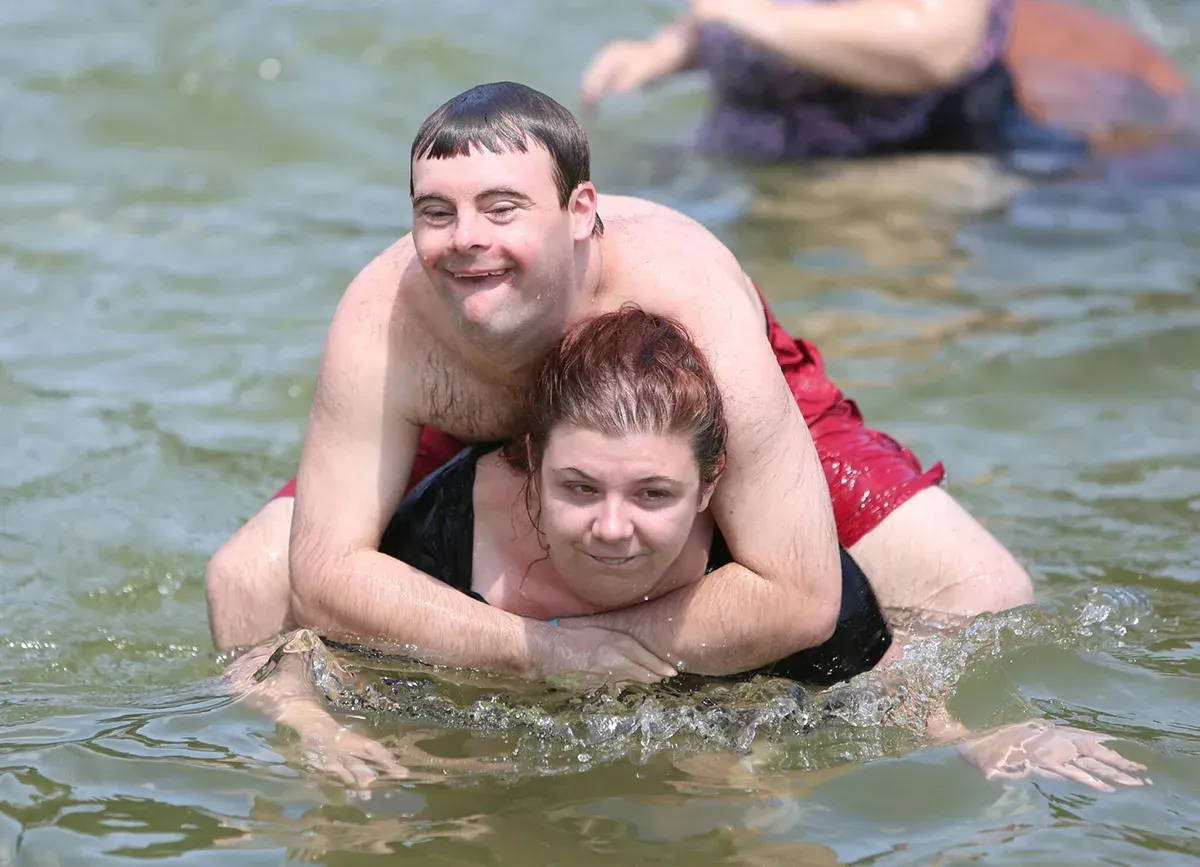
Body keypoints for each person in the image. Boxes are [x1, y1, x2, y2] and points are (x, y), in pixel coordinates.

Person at [206, 80, 1033, 687]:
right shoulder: (383, 317)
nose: (465, 241)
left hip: (688, 405)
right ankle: (310, 780)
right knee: (245, 581)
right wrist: (541, 649)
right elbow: (323, 573)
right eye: (436, 212)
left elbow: (802, 594)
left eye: (502, 209)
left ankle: (936, 737)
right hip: (474, 426)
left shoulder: (688, 297)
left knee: (986, 594)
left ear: (580, 212)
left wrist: (619, 646)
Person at [222, 307, 1145, 793]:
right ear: (530, 473)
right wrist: (311, 727)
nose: (613, 527)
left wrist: (979, 738)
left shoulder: (783, 578)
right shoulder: (440, 536)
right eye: (580, 489)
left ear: (709, 494)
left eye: (653, 495)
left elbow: (882, 684)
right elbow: (283, 636)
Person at [579, 0, 1189, 162]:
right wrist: (668, 49)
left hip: (913, 162)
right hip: (758, 160)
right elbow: (726, 10)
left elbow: (937, 44)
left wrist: (751, 18)